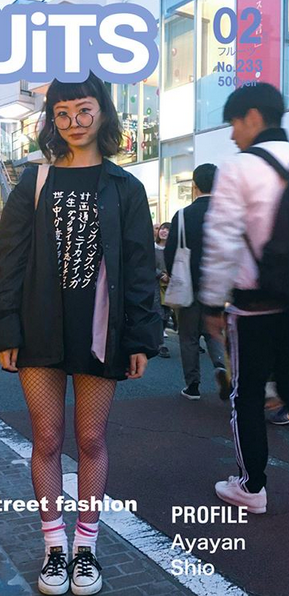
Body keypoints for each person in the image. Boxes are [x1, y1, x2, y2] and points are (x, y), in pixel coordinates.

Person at [0, 73, 161, 596]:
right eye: (62, 114)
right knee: (46, 439)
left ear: (102, 112)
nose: (74, 122)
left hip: (100, 331)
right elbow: (8, 261)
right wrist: (4, 328)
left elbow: (140, 268)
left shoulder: (126, 187)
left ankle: (86, 547)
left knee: (91, 440)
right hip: (38, 329)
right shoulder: (34, 182)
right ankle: (54, 547)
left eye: (84, 110)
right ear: (51, 120)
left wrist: (140, 338)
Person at [200, 83, 289, 514]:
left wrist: (211, 304)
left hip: (255, 307)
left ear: (253, 116)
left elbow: (222, 243)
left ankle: (251, 488)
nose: (233, 135)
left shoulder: (239, 168)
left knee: (247, 394)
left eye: (234, 124)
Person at [165, 164, 228, 400]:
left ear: (195, 185)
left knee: (188, 337)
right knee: (215, 331)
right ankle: (221, 365)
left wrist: (173, 275)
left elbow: (170, 251)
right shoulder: (227, 214)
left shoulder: (183, 215)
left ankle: (192, 386)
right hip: (219, 285)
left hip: (188, 285)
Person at [154, 222, 171, 358]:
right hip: (155, 283)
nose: (163, 231)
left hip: (169, 284)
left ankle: (159, 339)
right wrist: (160, 274)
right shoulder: (152, 248)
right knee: (158, 312)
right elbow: (147, 264)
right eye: (162, 229)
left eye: (167, 230)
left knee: (166, 312)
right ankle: (160, 345)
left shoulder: (172, 249)